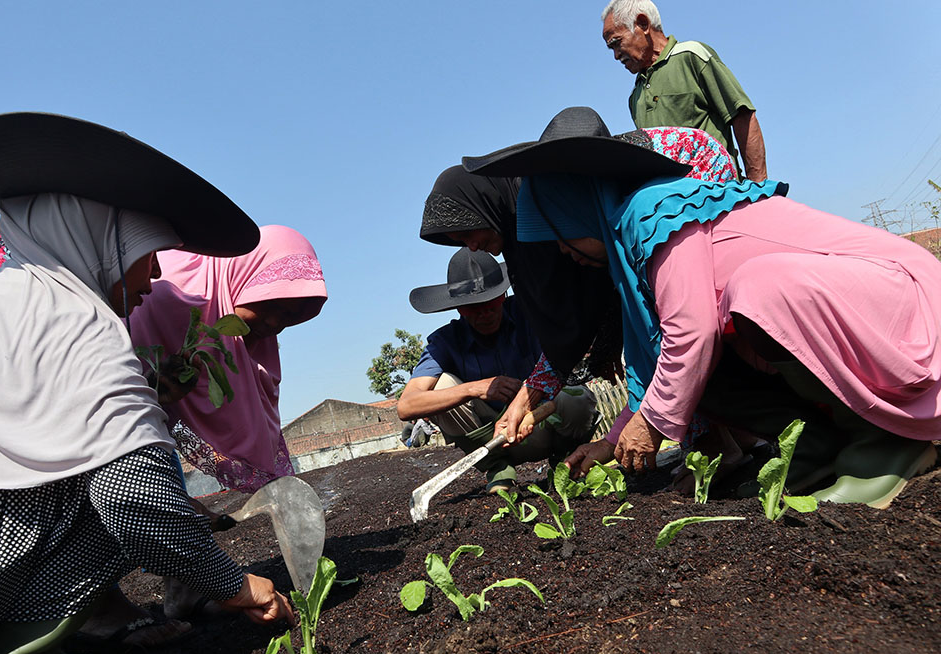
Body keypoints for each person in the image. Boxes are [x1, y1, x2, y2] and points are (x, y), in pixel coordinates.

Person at [0, 113, 293, 654]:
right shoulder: (73, 323)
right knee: (118, 483)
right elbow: (133, 499)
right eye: (150, 254)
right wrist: (236, 584)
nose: (155, 279)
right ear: (104, 241)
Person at [470, 112, 941, 508]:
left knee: (756, 291)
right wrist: (611, 442)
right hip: (863, 311)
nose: (566, 254)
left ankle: (888, 444)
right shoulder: (632, 240)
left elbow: (691, 332)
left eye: (561, 235)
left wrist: (652, 424)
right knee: (695, 375)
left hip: (901, 304)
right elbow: (666, 363)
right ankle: (816, 449)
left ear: (574, 207)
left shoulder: (653, 208)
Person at [430, 108, 745, 473]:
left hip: (709, 210)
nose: (470, 247)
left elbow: (680, 333)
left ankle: (724, 444)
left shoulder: (639, 214)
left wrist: (654, 424)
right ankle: (732, 440)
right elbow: (585, 329)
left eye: (468, 234)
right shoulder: (558, 219)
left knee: (699, 325)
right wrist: (528, 400)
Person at [129, 224, 327, 619]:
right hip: (98, 441)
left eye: (288, 317)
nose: (274, 325)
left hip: (139, 430)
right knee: (139, 498)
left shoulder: (232, 325)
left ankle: (186, 586)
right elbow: (121, 413)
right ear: (244, 278)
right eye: (271, 308)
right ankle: (113, 610)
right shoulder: (166, 294)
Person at [399, 248, 597, 493]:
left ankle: (567, 460)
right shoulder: (445, 342)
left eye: (489, 303)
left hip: (542, 423)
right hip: (492, 439)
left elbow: (572, 342)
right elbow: (406, 406)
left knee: (576, 393)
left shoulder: (530, 313)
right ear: (458, 308)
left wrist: (529, 402)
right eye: (473, 307)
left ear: (503, 294)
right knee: (441, 386)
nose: (484, 313)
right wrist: (474, 388)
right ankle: (498, 468)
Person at [600, 0, 767, 181]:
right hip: (671, 203)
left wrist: (758, 189)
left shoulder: (692, 57)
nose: (616, 55)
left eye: (617, 43)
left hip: (718, 196)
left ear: (643, 24)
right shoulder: (635, 96)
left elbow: (742, 116)